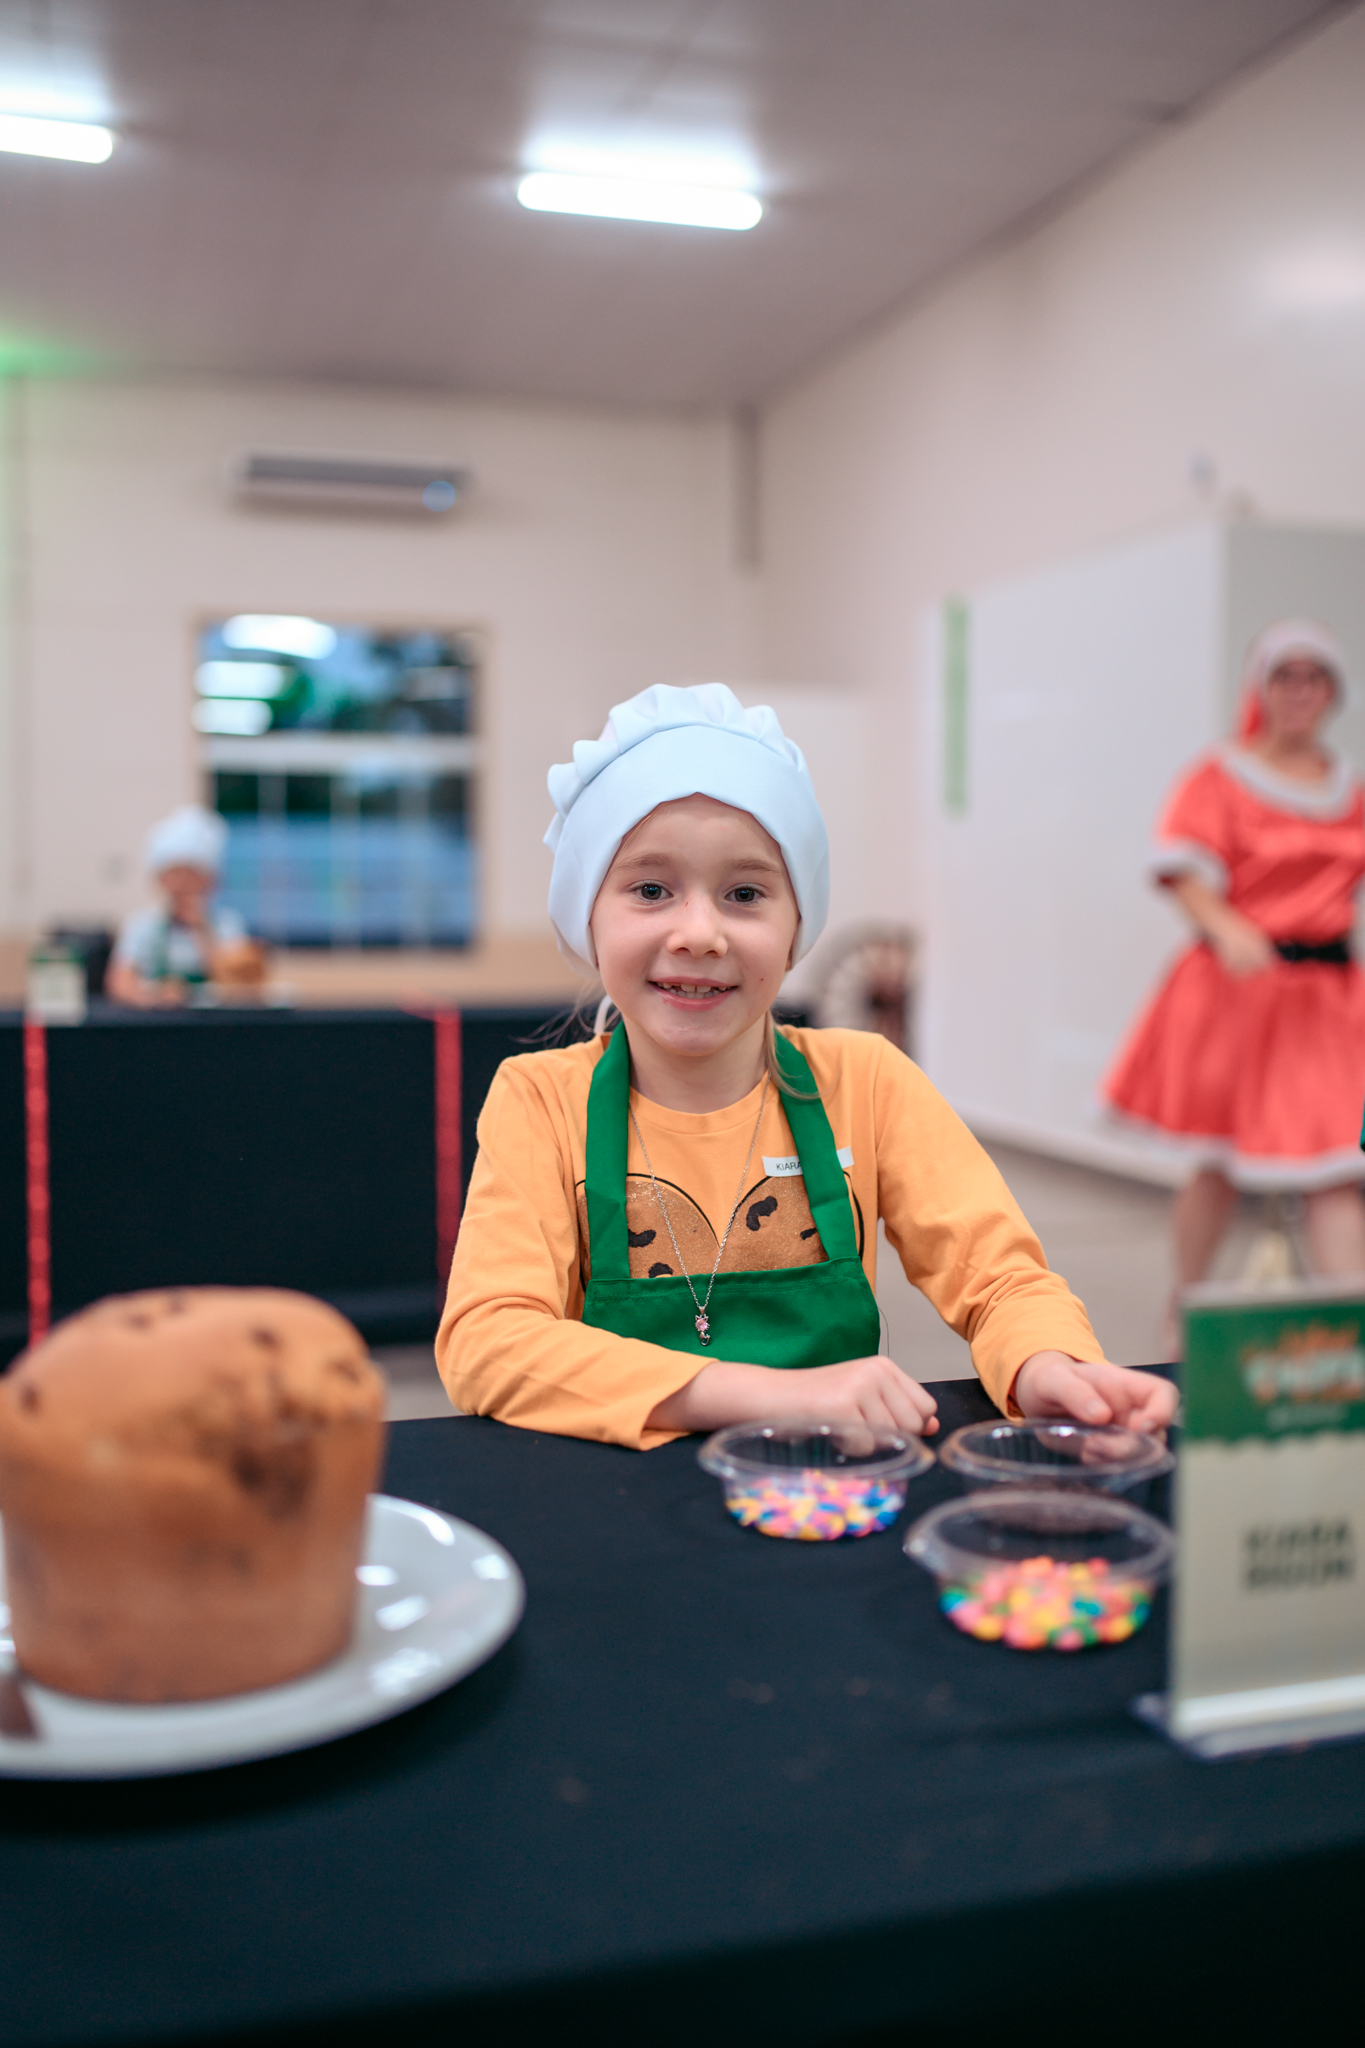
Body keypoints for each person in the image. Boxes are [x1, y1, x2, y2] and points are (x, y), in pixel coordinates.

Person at [438, 684, 1176, 1449]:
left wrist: (1045, 1364)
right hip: (619, 1492)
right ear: (587, 916)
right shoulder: (540, 1100)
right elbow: (488, 1342)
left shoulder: (865, 1081)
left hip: (831, 1488)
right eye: (650, 890)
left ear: (798, 926)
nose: (699, 933)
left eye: (744, 893)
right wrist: (766, 1396)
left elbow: (998, 1278)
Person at [1105, 620, 1365, 1319]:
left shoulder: (1349, 788)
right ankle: (1185, 1308)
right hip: (1240, 995)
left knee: (1335, 1167)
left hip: (1326, 1001)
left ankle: (1350, 1333)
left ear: (1332, 692)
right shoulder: (1219, 777)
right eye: (1285, 676)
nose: (1299, 691)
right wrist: (1226, 927)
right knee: (1219, 1161)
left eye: (1314, 677)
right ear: (1263, 687)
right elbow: (1183, 873)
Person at [107, 805, 264, 1007]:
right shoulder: (142, 925)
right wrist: (155, 998)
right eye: (174, 874)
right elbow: (120, 984)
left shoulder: (228, 924)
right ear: (160, 880)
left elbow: (242, 986)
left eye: (191, 874)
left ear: (210, 881)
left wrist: (201, 930)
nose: (183, 884)